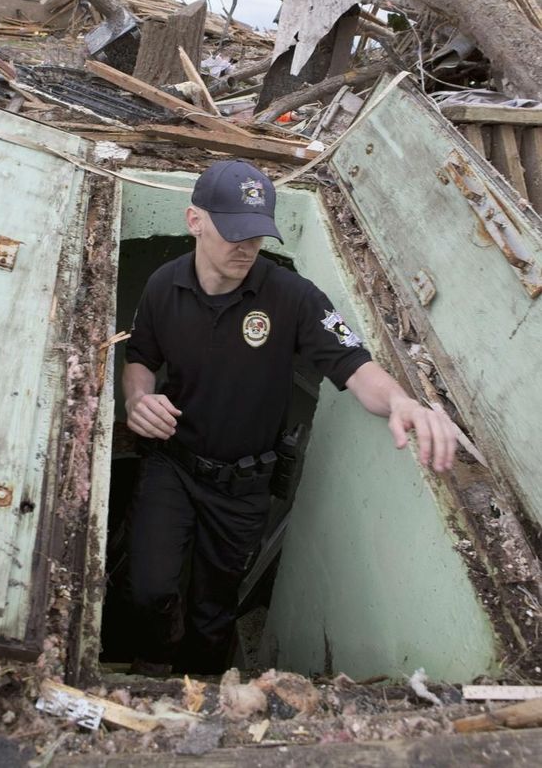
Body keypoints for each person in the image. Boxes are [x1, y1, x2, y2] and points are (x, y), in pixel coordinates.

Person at [122, 159, 458, 675]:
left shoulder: (292, 296)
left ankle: (205, 687)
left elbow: (355, 366)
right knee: (149, 588)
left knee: (215, 609)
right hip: (174, 465)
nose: (247, 246)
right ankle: (146, 669)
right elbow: (140, 358)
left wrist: (402, 403)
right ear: (195, 221)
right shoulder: (164, 287)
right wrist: (137, 399)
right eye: (234, 232)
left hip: (243, 486)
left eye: (257, 234)